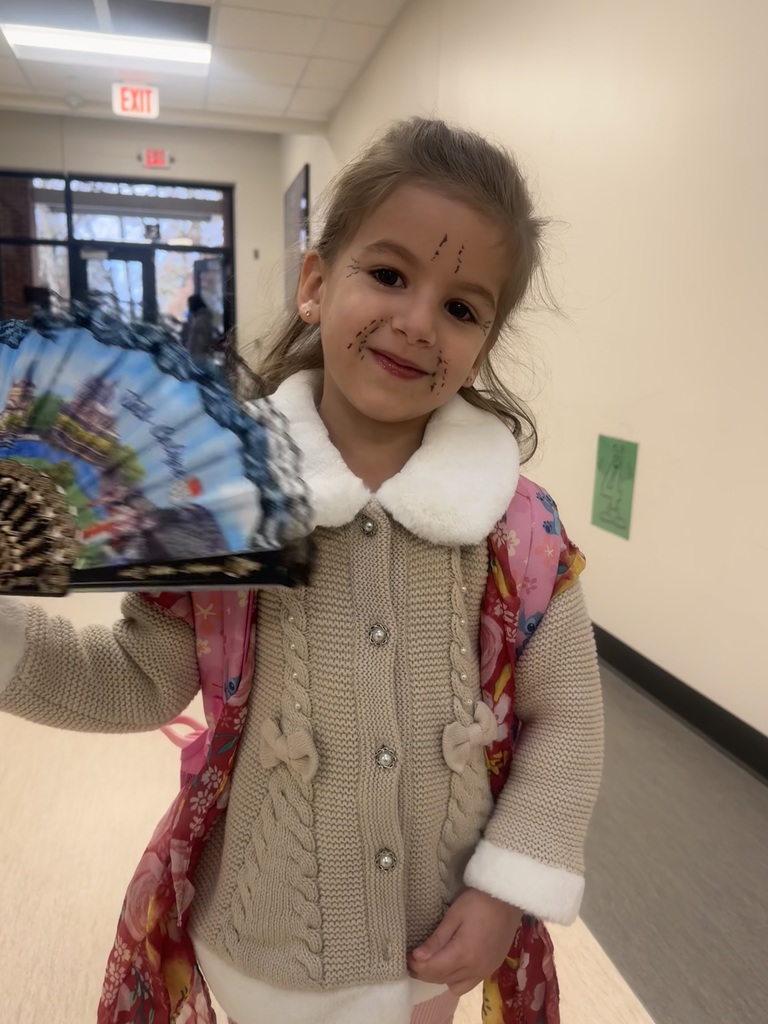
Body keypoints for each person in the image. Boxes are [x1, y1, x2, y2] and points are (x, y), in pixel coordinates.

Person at [0, 118, 603, 1024]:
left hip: (438, 945)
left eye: (462, 307)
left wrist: (504, 889)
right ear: (317, 282)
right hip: (263, 948)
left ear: (486, 342)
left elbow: (568, 723)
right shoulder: (219, 511)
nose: (415, 320)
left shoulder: (520, 531)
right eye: (389, 275)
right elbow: (132, 680)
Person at [183, 292, 216, 363]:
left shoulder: (202, 319)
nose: (189, 307)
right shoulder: (199, 318)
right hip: (198, 354)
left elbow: (202, 337)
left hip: (199, 355)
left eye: (189, 305)